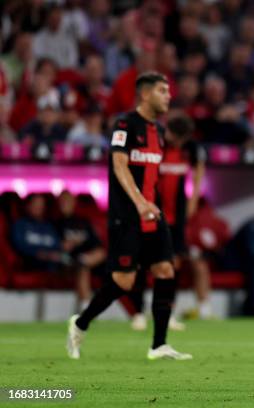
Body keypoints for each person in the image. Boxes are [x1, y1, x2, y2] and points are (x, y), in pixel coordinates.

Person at [66, 72, 192, 360]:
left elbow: (153, 176)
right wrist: (139, 202)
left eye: (169, 91)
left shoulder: (159, 132)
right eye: (162, 91)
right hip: (127, 215)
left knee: (165, 270)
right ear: (145, 94)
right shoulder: (124, 124)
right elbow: (119, 166)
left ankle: (159, 344)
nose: (168, 96)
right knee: (123, 282)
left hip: (152, 213)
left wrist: (155, 206)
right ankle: (80, 323)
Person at [129, 114, 208, 329]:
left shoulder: (189, 149)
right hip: (152, 212)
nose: (178, 142)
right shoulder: (153, 145)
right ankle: (138, 312)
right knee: (143, 263)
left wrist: (193, 198)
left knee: (173, 264)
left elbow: (200, 165)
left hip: (176, 217)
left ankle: (166, 311)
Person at [56, 191, 106, 312]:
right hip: (68, 261)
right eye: (62, 202)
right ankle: (87, 307)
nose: (65, 204)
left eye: (68, 201)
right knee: (82, 266)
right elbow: (55, 246)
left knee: (102, 254)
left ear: (74, 203)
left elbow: (98, 245)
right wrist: (69, 244)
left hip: (90, 259)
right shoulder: (56, 223)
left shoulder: (83, 222)